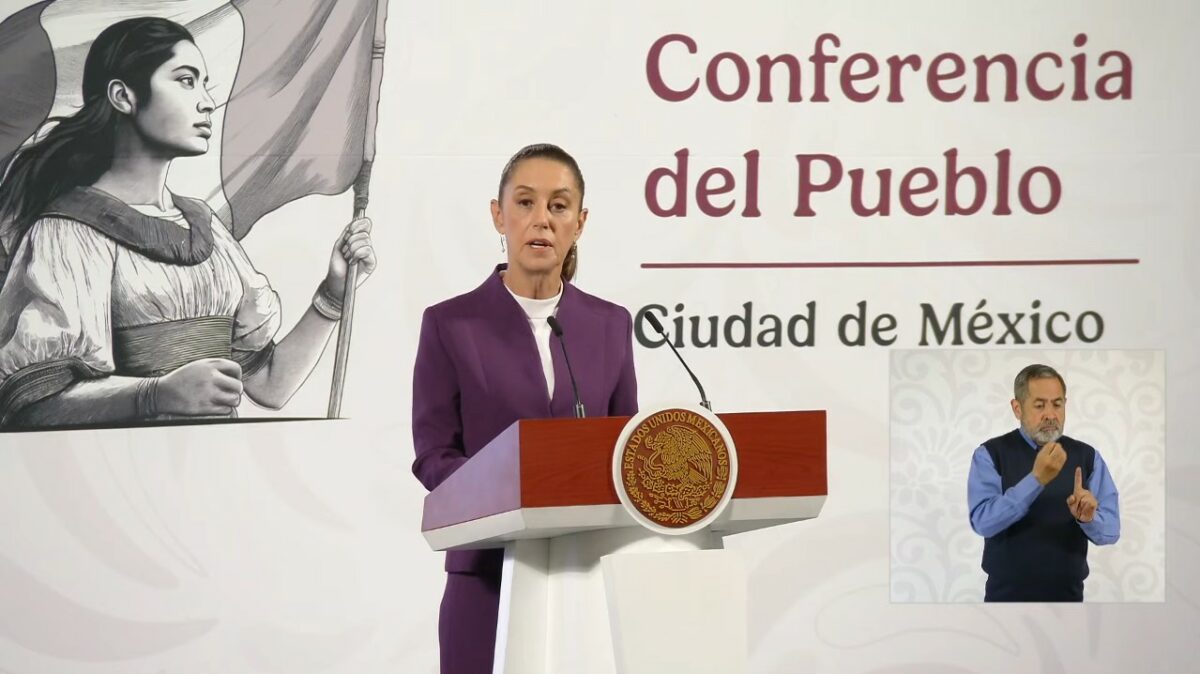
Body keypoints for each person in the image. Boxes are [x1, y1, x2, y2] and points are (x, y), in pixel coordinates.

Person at [0, 17, 376, 428]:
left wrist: (333, 294)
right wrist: (155, 394)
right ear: (123, 96)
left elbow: (270, 385)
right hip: (126, 463)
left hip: (217, 461)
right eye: (185, 80)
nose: (207, 102)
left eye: (204, 83)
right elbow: (32, 405)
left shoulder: (207, 228)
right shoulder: (68, 232)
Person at [411, 143, 638, 673]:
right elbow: (433, 455)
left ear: (580, 222)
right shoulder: (450, 324)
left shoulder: (610, 325)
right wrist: (508, 490)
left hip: (586, 576)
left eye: (559, 206)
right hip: (487, 573)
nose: (542, 220)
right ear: (499, 215)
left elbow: (628, 451)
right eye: (525, 202)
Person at [967, 363, 1120, 601]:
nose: (1050, 414)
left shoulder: (1087, 457)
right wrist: (1036, 480)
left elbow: (1111, 531)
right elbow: (982, 522)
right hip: (1004, 600)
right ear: (1017, 408)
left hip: (1069, 600)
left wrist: (1088, 519)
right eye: (1039, 405)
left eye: (1057, 404)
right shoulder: (990, 454)